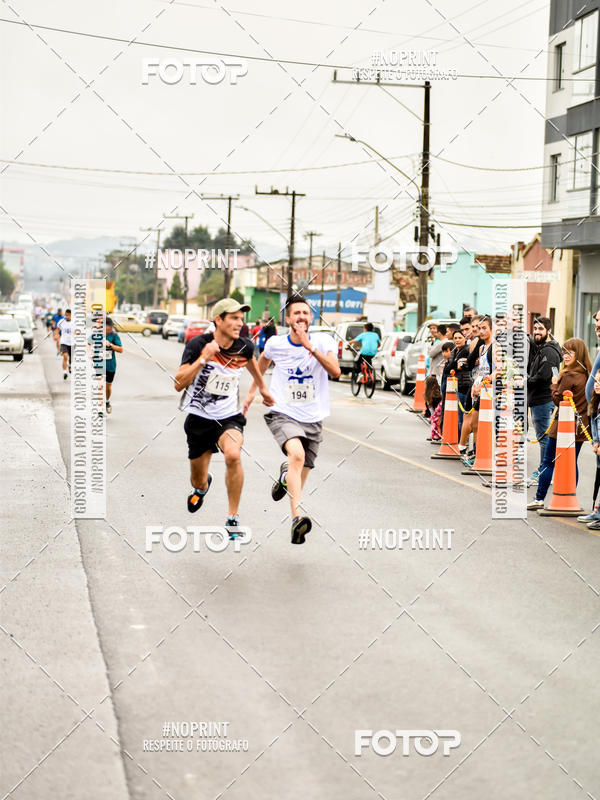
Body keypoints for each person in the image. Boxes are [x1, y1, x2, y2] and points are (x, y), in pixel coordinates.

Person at [243, 295, 341, 545]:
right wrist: (255, 391)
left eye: (305, 313)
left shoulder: (323, 341)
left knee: (298, 474)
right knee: (296, 455)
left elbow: (335, 371)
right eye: (296, 313)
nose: (301, 317)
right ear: (287, 319)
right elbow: (262, 362)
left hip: (313, 417)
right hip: (282, 412)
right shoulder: (276, 343)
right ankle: (297, 519)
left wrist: (310, 347)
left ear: (311, 318)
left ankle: (285, 477)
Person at [174, 298, 275, 536]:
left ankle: (232, 517)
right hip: (198, 419)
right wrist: (203, 358)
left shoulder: (245, 346)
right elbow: (178, 383)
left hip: (229, 417)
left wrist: (262, 388)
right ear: (218, 320)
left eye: (241, 318)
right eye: (234, 318)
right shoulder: (198, 344)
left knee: (233, 455)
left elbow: (251, 363)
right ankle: (202, 488)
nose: (240, 323)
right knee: (197, 480)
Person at [527, 338, 591, 511]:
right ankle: (569, 497)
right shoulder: (587, 374)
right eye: (564, 352)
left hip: (562, 425)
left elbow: (558, 400)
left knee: (548, 461)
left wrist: (554, 385)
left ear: (579, 354)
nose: (566, 355)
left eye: (570, 352)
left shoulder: (569, 375)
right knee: (572, 462)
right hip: (580, 427)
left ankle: (539, 498)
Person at [527, 317, 562, 486]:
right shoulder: (544, 349)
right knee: (544, 438)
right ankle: (545, 471)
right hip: (540, 399)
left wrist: (525, 380)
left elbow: (544, 376)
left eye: (540, 329)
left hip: (542, 399)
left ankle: (544, 472)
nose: (537, 332)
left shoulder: (549, 351)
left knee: (544, 439)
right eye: (535, 329)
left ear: (549, 331)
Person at [578, 368, 600, 528]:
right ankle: (598, 512)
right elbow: (593, 424)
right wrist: (596, 443)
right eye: (596, 381)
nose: (596, 384)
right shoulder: (596, 401)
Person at [449, 328, 472, 433]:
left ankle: (461, 440)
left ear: (465, 339)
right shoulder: (454, 351)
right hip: (456, 385)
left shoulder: (466, 350)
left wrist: (454, 365)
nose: (457, 340)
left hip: (464, 386)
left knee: (462, 417)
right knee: (457, 417)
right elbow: (449, 368)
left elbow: (454, 367)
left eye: (460, 338)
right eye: (455, 338)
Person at [103, 317, 123, 414]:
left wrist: (110, 345)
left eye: (110, 329)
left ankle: (107, 401)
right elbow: (88, 345)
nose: (109, 331)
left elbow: (121, 349)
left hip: (110, 365)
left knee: (108, 387)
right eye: (107, 329)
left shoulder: (114, 335)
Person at [55, 309, 72, 379]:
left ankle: (70, 366)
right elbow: (57, 329)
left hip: (72, 342)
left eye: (68, 315)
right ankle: (64, 372)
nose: (67, 317)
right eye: (66, 315)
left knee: (71, 358)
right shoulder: (61, 322)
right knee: (65, 356)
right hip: (64, 342)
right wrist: (56, 335)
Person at [424, 376, 442, 442]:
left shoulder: (435, 394)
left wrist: (431, 415)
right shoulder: (437, 392)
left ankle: (436, 435)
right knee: (435, 421)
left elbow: (431, 408)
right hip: (436, 411)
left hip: (438, 411)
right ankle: (435, 434)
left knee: (435, 421)